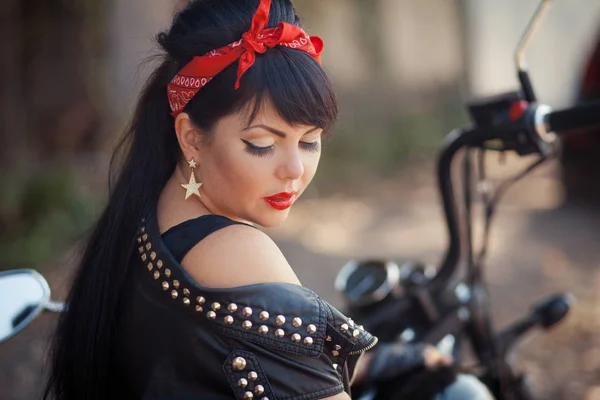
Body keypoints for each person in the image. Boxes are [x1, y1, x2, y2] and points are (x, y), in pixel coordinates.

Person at [43, 1, 451, 399]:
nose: (294, 169)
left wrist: (366, 364)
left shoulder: (147, 210)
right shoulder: (237, 251)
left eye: (310, 141)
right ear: (191, 137)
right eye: (260, 144)